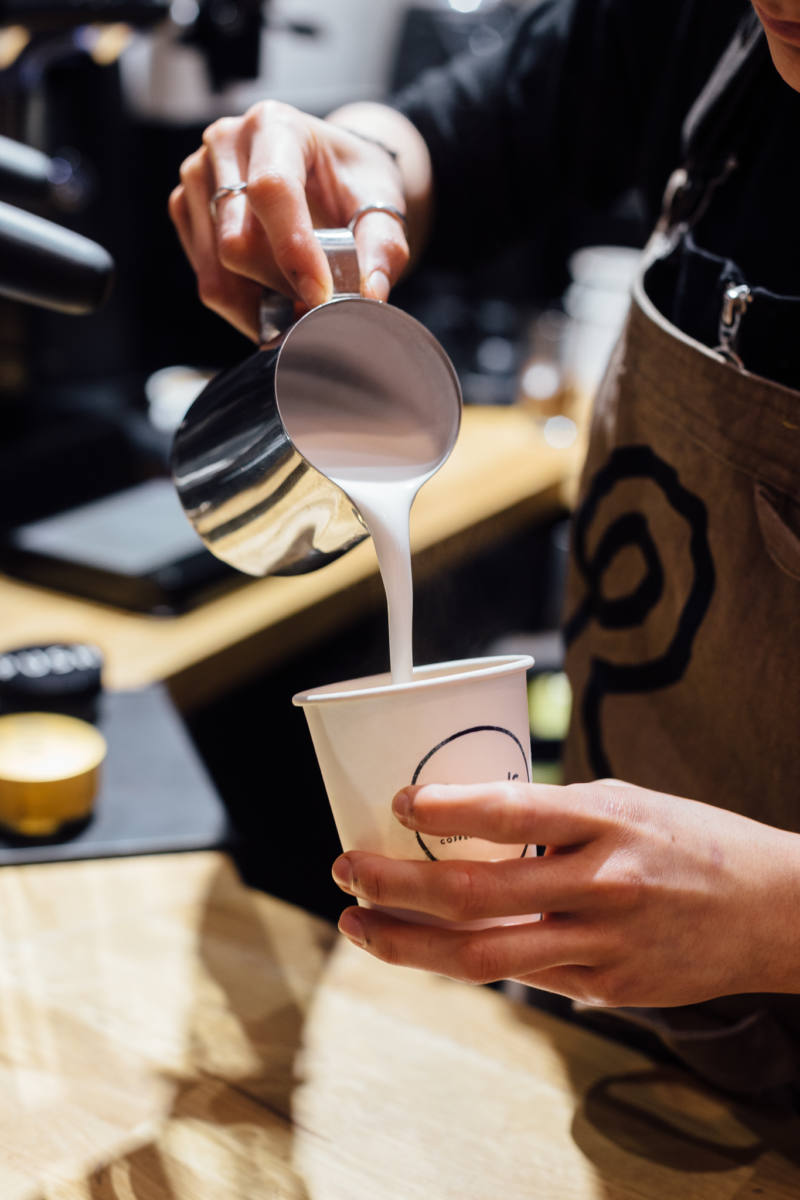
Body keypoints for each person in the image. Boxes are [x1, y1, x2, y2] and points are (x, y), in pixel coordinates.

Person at [170, 0, 800, 1099]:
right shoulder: (725, 32)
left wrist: (780, 919)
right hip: (619, 1048)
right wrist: (345, 168)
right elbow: (480, 127)